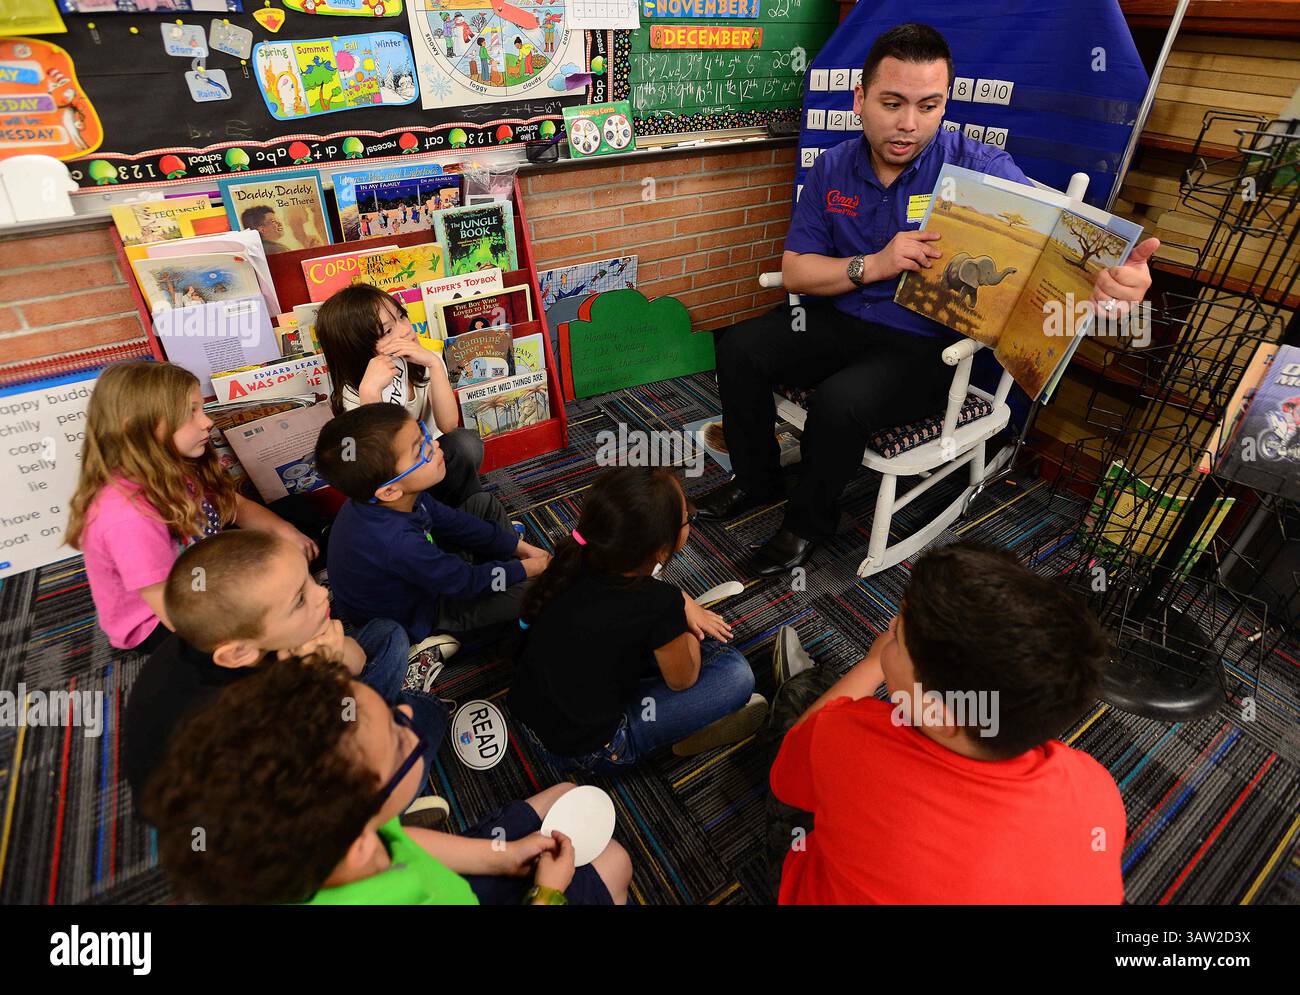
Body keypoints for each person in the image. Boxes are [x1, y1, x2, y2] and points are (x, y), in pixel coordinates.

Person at [693, 22, 1160, 577]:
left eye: (929, 105)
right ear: (860, 99)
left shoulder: (979, 169)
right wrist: (877, 264)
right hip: (840, 316)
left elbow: (1060, 240)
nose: (908, 124)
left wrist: (1114, 283)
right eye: (892, 103)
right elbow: (797, 272)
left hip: (921, 347)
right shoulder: (833, 167)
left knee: (840, 403)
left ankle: (805, 526)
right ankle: (755, 480)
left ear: (944, 105)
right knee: (740, 346)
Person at [766, 542, 1126, 904]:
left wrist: (872, 664)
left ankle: (800, 684)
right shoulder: (1096, 785)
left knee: (803, 713)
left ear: (939, 714)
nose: (889, 628)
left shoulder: (848, 736)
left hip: (814, 880)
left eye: (898, 636)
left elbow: (785, 781)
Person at [140, 654, 632, 905]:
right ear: (357, 843)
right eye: (400, 735)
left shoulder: (326, 839)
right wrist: (546, 893)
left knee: (567, 796)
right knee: (616, 861)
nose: (404, 712)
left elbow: (401, 839)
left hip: (450, 880)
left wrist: (501, 857)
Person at [122, 530, 447, 805]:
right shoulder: (247, 713)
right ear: (238, 654)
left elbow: (357, 658)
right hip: (250, 798)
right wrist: (326, 677)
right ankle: (384, 814)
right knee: (427, 714)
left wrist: (332, 658)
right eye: (299, 599)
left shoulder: (230, 633)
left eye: (308, 578)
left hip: (290, 709)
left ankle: (388, 715)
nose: (322, 593)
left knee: (388, 635)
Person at [509, 467, 766, 771]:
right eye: (687, 517)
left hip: (534, 714)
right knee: (735, 672)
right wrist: (684, 627)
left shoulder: (572, 558)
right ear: (660, 551)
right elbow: (684, 679)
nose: (689, 519)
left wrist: (676, 604)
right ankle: (688, 728)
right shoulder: (658, 604)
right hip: (591, 749)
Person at [66, 362, 316, 653]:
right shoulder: (128, 516)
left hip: (202, 566)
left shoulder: (171, 463)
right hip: (161, 620)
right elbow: (171, 610)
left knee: (300, 512)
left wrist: (287, 533)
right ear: (138, 426)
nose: (206, 421)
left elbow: (234, 505)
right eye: (190, 413)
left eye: (201, 409)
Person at [314, 403, 550, 649]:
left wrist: (518, 548)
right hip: (420, 614)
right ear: (390, 490)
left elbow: (456, 523)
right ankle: (437, 643)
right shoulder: (397, 542)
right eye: (420, 451)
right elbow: (464, 581)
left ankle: (501, 573)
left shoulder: (402, 496)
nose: (435, 445)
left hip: (426, 573)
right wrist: (525, 569)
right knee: (534, 590)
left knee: (484, 504)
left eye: (423, 433)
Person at [316, 283, 486, 508]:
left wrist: (435, 364)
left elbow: (448, 425)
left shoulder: (424, 359)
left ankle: (470, 510)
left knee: (465, 442)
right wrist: (370, 394)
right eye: (387, 331)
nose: (405, 330)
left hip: (428, 457)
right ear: (357, 348)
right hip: (396, 480)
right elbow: (380, 464)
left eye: (402, 316)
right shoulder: (356, 391)